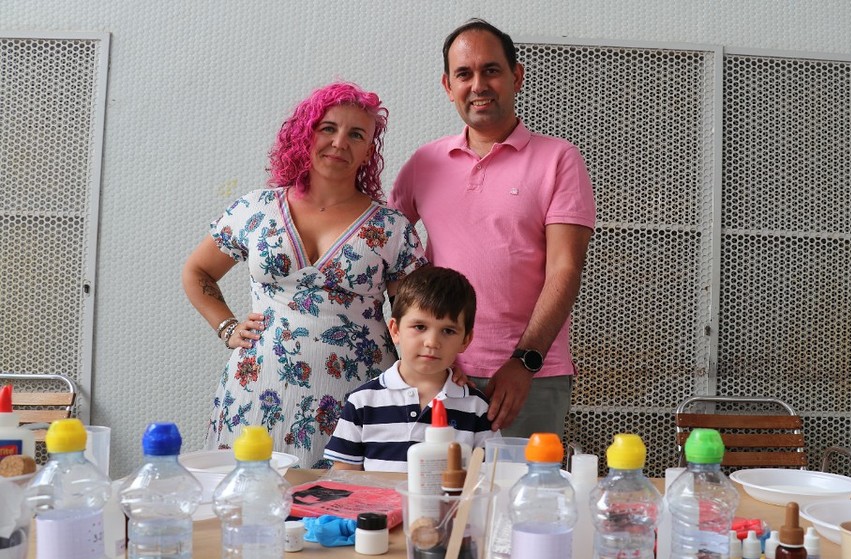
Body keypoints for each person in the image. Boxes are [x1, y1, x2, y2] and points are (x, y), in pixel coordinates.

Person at [182, 82, 428, 468]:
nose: (340, 142)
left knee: (342, 501)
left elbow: (416, 317)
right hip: (257, 391)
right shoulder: (256, 209)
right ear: (305, 133)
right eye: (328, 128)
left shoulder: (392, 228)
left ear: (369, 150)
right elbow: (198, 272)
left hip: (356, 400)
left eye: (356, 134)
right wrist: (227, 327)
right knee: (252, 495)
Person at [389, 19, 596, 439]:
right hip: (438, 372)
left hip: (529, 379)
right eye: (464, 74)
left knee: (526, 481)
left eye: (491, 70)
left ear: (516, 76)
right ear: (448, 86)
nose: (478, 85)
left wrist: (524, 362)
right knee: (435, 478)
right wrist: (424, 343)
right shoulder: (424, 163)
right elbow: (384, 253)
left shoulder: (559, 159)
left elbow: (565, 269)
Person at [323, 265, 498, 471]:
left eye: (448, 331)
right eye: (420, 327)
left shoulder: (477, 408)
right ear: (395, 330)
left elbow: (490, 477)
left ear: (465, 340)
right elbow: (344, 476)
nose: (432, 342)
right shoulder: (362, 402)